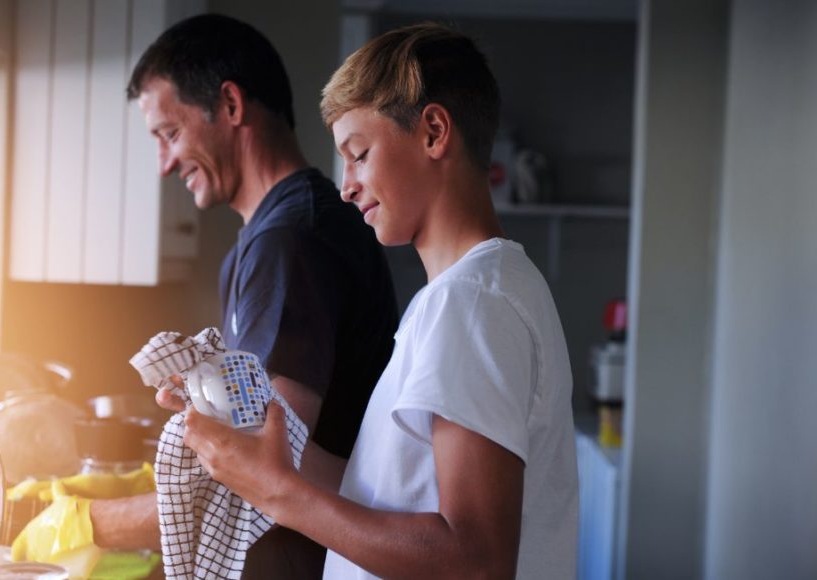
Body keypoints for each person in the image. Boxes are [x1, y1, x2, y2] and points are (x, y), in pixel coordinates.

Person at [175, 22, 579, 579]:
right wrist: (251, 437)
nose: (346, 186)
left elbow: (477, 559)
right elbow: (382, 496)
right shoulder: (461, 295)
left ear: (434, 132)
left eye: (359, 153)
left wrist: (279, 493)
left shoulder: (469, 303)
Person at [88, 14, 398, 579]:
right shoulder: (264, 240)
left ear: (230, 105)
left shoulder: (290, 241)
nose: (163, 164)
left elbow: (255, 474)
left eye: (169, 134)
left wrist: (88, 523)